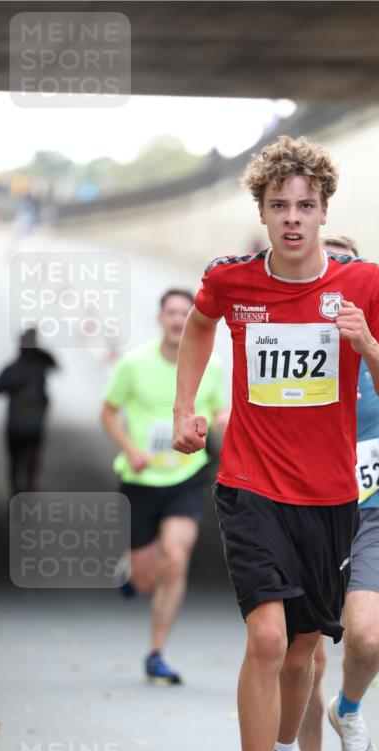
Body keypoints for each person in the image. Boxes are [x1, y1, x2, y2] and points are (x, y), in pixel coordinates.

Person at [173, 135, 379, 751]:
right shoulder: (231, 280)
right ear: (261, 210)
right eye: (278, 205)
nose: (291, 218)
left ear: (322, 212)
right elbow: (198, 325)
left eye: (304, 206)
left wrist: (364, 342)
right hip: (250, 484)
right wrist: (187, 406)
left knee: (304, 652)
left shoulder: (366, 284)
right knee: (268, 639)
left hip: (334, 494)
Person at [289, 236, 379, 751]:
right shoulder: (289, 339)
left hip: (366, 509)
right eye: (326, 260)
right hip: (303, 512)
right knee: (307, 656)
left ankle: (350, 706)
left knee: (365, 639)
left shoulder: (369, 333)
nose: (333, 270)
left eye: (344, 261)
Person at [101, 288, 229, 685]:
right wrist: (131, 449)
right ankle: (132, 569)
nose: (177, 320)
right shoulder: (134, 364)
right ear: (159, 319)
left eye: (184, 313)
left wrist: (221, 421)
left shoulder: (213, 365)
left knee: (176, 555)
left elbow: (221, 408)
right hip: (140, 477)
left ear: (193, 320)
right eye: (171, 313)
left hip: (186, 475)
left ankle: (156, 652)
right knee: (143, 579)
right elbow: (108, 413)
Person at [0, 327, 58, 494]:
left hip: (34, 421)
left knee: (32, 456)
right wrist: (12, 386)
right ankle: (15, 488)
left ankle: (29, 487)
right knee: (15, 459)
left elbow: (54, 364)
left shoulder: (39, 364)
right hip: (16, 423)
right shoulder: (12, 369)